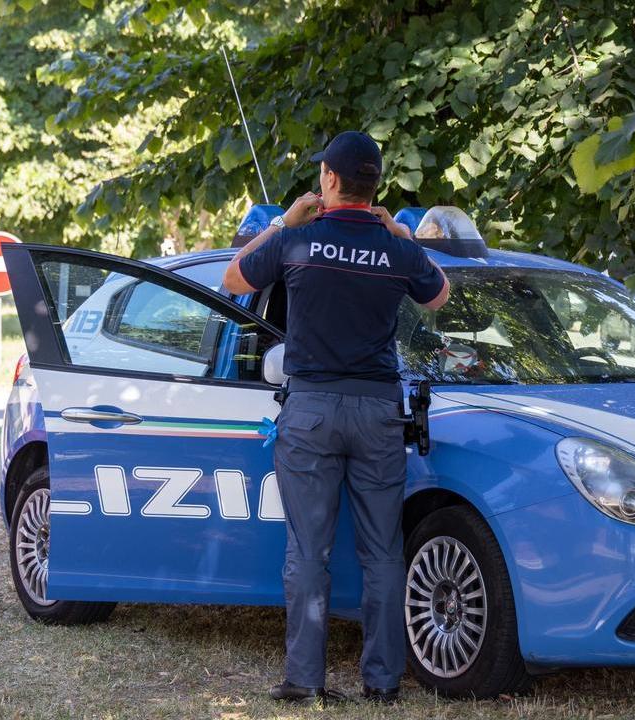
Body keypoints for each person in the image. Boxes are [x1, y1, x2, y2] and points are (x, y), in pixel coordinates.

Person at [223, 131, 450, 704]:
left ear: (328, 180)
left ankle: (304, 680)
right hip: (378, 410)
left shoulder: (300, 241)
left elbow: (233, 280)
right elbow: (439, 296)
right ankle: (382, 682)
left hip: (312, 410)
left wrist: (283, 223)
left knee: (307, 550)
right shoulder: (397, 251)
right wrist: (399, 234)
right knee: (383, 552)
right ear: (375, 185)